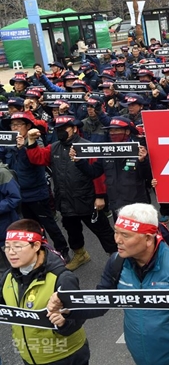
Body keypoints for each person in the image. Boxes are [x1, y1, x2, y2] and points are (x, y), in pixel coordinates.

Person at [47, 203, 169, 365]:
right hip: (141, 357)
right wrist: (68, 304)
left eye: (125, 235)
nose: (117, 240)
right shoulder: (117, 262)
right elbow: (101, 301)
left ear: (148, 239)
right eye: (116, 232)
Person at [25, 115, 117, 270]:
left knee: (103, 231)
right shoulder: (53, 147)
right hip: (65, 200)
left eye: (64, 129)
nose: (60, 132)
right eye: (58, 129)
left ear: (74, 129)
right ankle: (80, 254)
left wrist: (100, 197)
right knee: (72, 231)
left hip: (87, 199)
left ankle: (116, 258)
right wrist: (31, 142)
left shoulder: (86, 146)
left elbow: (98, 175)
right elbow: (37, 158)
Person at [1, 219, 90, 364]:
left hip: (65, 357)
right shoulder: (8, 277)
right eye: (7, 247)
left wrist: (63, 322)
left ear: (36, 245)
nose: (11, 253)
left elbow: (78, 317)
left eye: (17, 247)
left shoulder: (62, 278)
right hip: (30, 357)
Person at [0, 112, 68, 260]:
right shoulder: (8, 144)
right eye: (13, 125)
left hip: (36, 192)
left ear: (28, 126)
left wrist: (22, 149)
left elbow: (35, 161)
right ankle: (39, 251)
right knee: (29, 227)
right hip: (19, 194)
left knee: (49, 224)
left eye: (19, 124)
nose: (15, 127)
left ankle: (63, 251)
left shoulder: (35, 142)